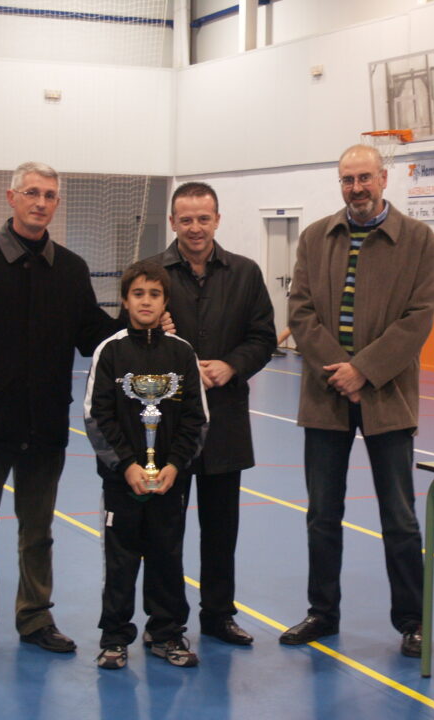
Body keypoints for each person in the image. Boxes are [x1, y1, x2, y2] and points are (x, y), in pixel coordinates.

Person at [0, 161, 120, 663]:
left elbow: (92, 338)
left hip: (44, 427)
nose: (41, 202)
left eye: (50, 195)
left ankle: (35, 616)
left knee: (37, 532)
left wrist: (138, 323)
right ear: (12, 197)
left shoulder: (71, 269)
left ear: (57, 203)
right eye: (32, 193)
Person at [280, 144, 434, 658]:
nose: (357, 188)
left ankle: (413, 621)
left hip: (388, 397)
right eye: (348, 179)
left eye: (365, 178)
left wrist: (364, 371)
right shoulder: (314, 238)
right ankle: (322, 612)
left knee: (399, 517)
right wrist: (339, 371)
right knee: (321, 514)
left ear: (384, 179)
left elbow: (418, 320)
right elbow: (301, 313)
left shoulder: (419, 241)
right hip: (325, 396)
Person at [144, 181, 276, 646]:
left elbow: (263, 337)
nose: (195, 228)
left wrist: (231, 365)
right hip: (166, 429)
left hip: (224, 423)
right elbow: (126, 343)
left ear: (217, 219)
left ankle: (218, 615)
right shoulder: (151, 274)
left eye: (204, 218)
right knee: (164, 530)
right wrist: (153, 338)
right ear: (173, 222)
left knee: (221, 530)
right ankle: (165, 622)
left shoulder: (244, 272)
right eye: (186, 219)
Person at [84, 261, 209, 669]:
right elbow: (95, 415)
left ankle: (167, 632)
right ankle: (115, 637)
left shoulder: (182, 352)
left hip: (171, 482)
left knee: (167, 557)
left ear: (165, 301)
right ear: (125, 300)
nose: (146, 301)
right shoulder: (111, 350)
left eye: (155, 294)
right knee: (119, 561)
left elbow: (196, 418)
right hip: (123, 483)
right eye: (138, 294)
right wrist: (127, 466)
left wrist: (174, 465)